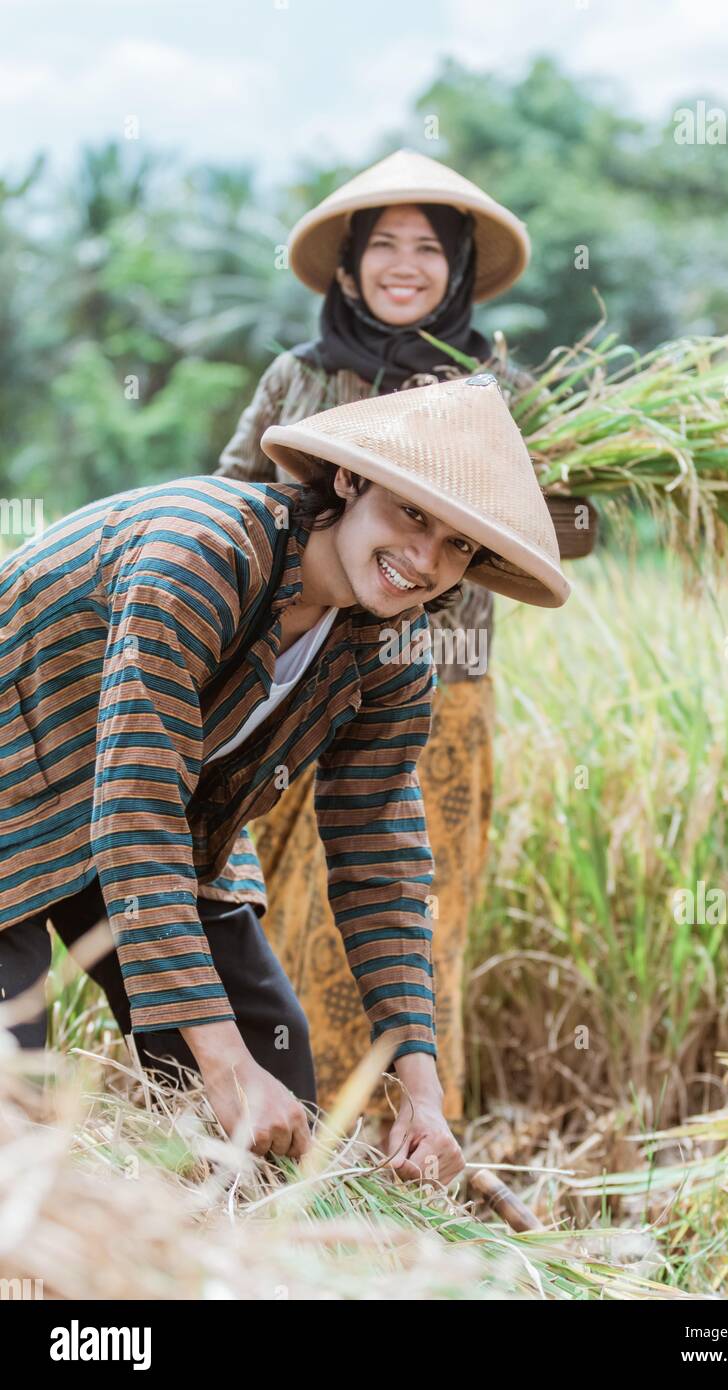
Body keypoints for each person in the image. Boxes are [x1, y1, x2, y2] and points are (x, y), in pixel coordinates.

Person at [0, 372, 572, 1186]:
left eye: (458, 546)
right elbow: (135, 808)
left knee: (275, 1064)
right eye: (412, 514)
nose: (424, 560)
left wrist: (420, 1089)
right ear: (349, 479)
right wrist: (223, 1068)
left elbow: (381, 859)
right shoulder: (204, 553)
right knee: (13, 1091)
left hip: (165, 823)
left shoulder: (393, 649)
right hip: (21, 783)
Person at [213, 147, 547, 1136]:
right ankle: (243, 1106)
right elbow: (236, 488)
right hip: (284, 670)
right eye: (384, 247)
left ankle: (393, 1132)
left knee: (399, 899)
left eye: (428, 250)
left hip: (428, 684)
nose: (406, 266)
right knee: (264, 894)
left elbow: (549, 534)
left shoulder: (500, 388)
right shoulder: (299, 375)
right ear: (349, 268)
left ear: (456, 268)